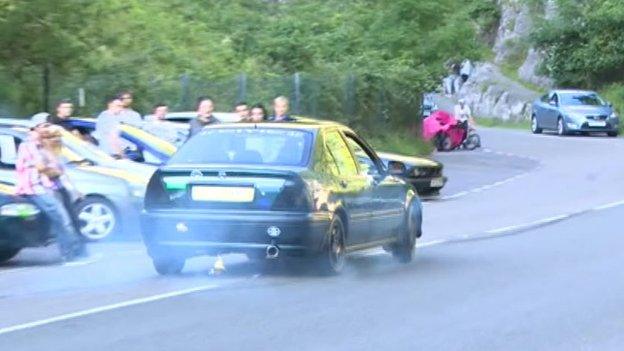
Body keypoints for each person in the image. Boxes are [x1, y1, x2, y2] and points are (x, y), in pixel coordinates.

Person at [15, 123, 86, 261]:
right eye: (44, 126)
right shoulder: (29, 146)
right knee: (61, 218)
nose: (47, 129)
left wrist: (73, 189)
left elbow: (59, 169)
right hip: (34, 188)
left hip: (49, 187)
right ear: (34, 128)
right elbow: (42, 168)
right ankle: (69, 253)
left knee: (65, 218)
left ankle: (75, 251)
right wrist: (54, 171)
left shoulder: (45, 146)